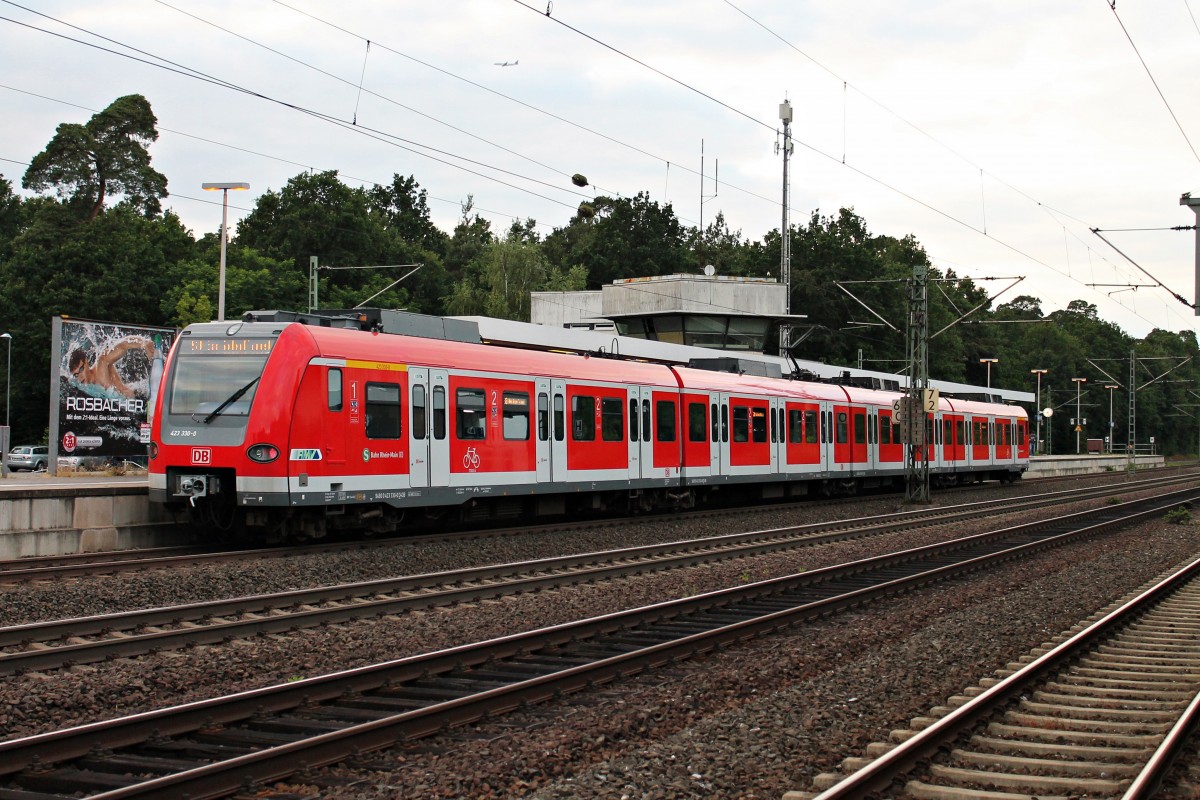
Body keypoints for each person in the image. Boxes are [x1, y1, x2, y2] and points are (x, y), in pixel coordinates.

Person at [67, 336, 155, 398]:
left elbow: (122, 346)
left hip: (136, 398)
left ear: (86, 363)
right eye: (76, 375)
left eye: (81, 369)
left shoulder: (101, 365)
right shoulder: (84, 388)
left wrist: (144, 343)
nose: (80, 377)